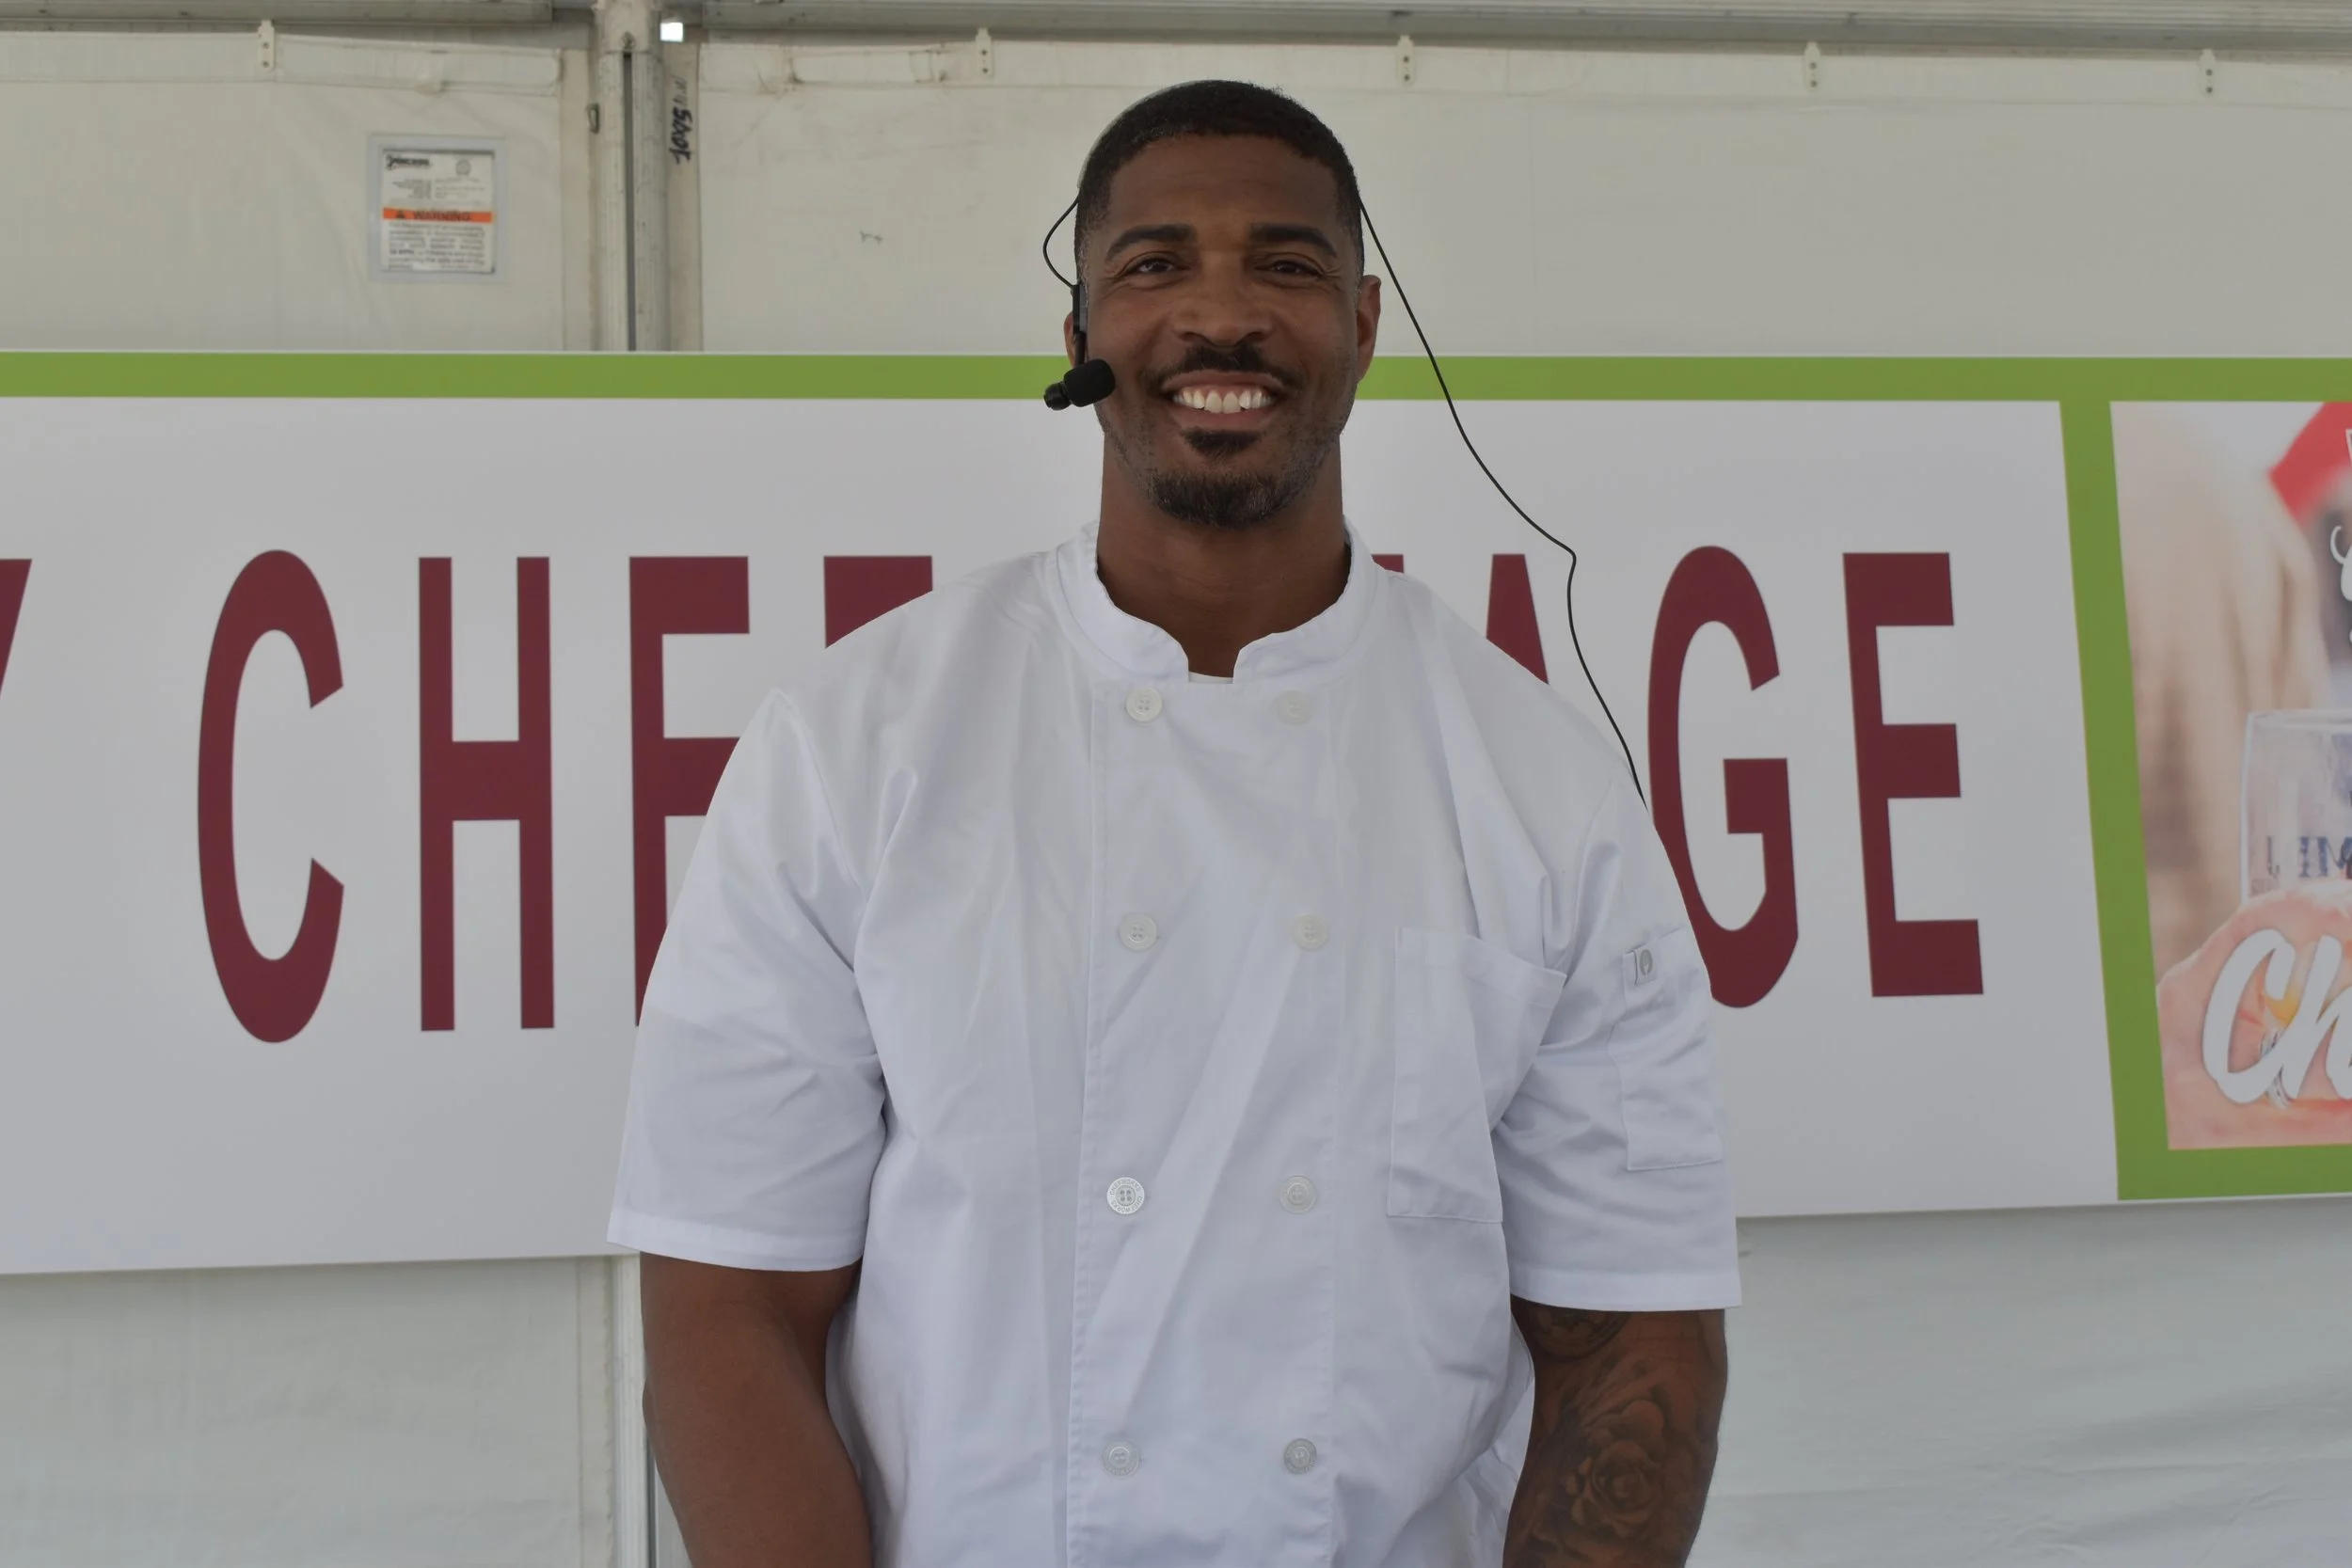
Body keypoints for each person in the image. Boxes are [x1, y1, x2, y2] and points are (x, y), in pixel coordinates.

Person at [609, 80, 1738, 1568]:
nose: (1223, 316)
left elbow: (1634, 1339)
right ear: (1078, 341)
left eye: (1285, 264)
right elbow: (729, 1305)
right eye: (1152, 267)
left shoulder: (1542, 789)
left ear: (1365, 325)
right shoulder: (857, 746)